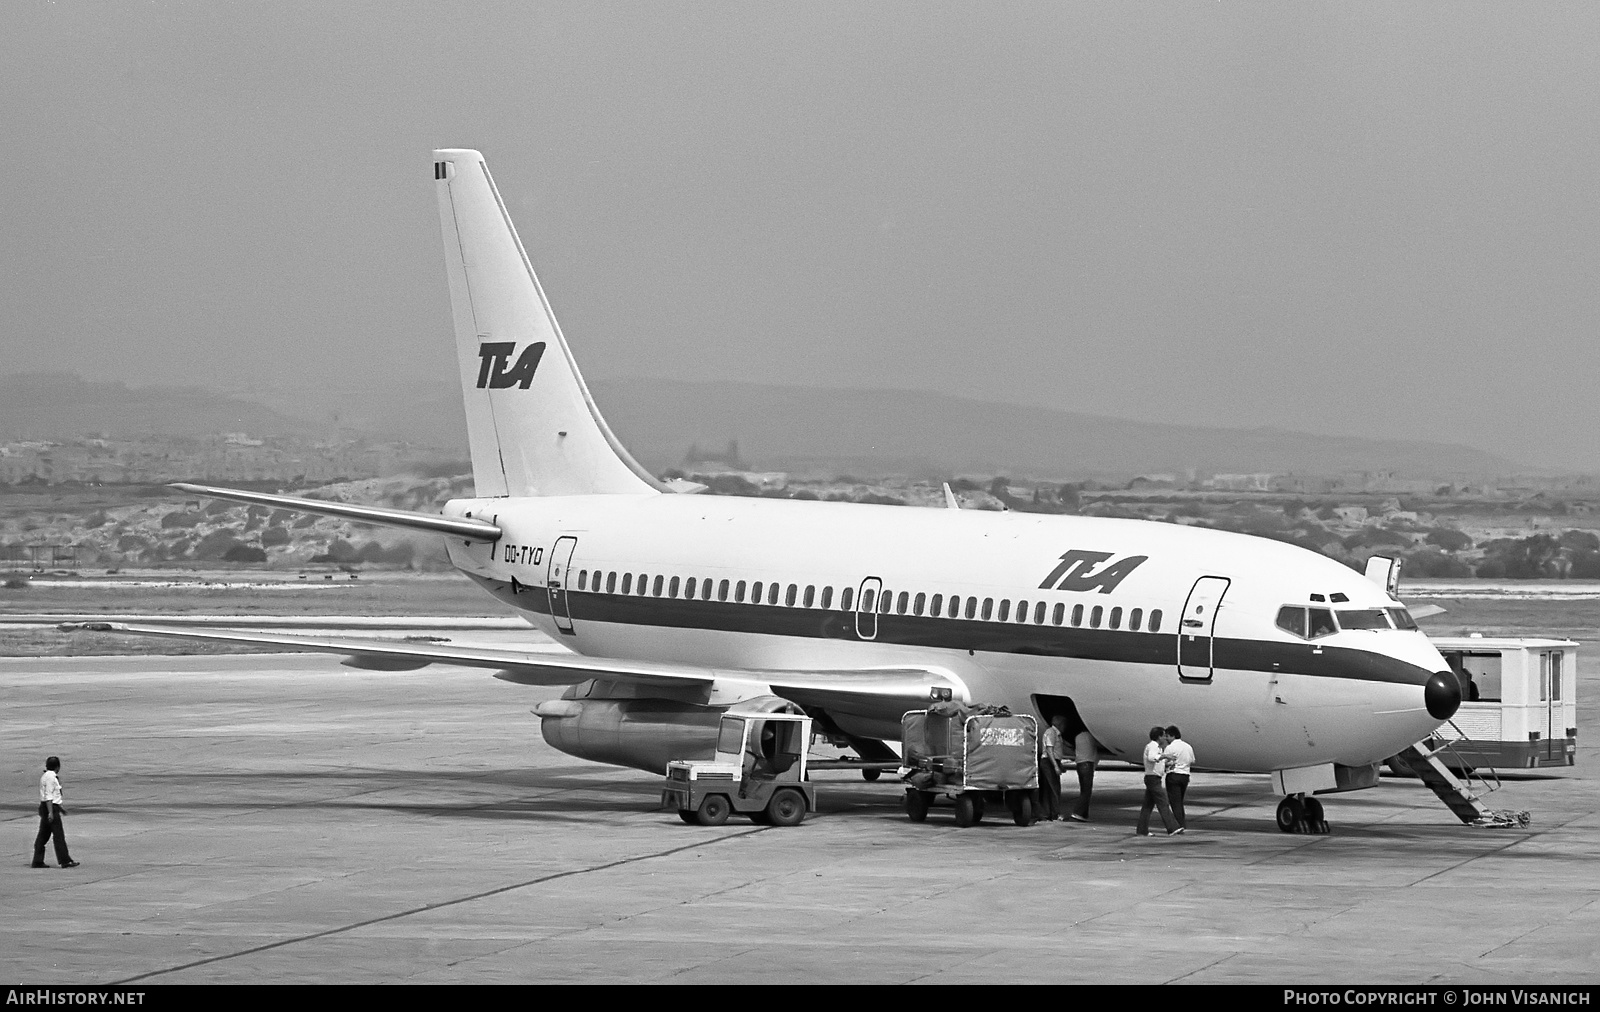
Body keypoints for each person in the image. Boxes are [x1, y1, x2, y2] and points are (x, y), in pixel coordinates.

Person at [32, 756, 78, 869]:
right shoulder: (51, 778)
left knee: (43, 835)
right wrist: (51, 812)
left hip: (48, 807)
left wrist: (60, 808)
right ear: (58, 767)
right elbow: (49, 796)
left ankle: (37, 861)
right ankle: (64, 860)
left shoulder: (46, 776)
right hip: (50, 808)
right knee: (58, 835)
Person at [1135, 727, 1181, 837]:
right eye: (1163, 735)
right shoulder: (1153, 746)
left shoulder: (1157, 747)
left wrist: (1167, 763)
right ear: (1159, 736)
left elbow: (1157, 762)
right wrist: (1165, 756)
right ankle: (1172, 827)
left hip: (1154, 778)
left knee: (1148, 805)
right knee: (1163, 802)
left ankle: (1142, 829)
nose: (1165, 738)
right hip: (1153, 778)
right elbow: (1152, 758)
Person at [1163, 725, 1196, 830]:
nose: (1166, 739)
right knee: (1179, 801)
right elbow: (1192, 760)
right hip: (1185, 776)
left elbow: (1165, 761)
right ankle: (1182, 822)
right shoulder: (1188, 746)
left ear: (1172, 736)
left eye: (1167, 736)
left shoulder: (1170, 747)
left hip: (1174, 775)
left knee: (1175, 802)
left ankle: (1179, 824)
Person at [1037, 716, 1066, 821]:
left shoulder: (1055, 733)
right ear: (1060, 724)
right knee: (1054, 789)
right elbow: (1050, 750)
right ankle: (1054, 814)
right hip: (1048, 762)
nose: (1065, 727)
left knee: (1048, 789)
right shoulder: (1052, 733)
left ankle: (1047, 813)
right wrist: (1055, 766)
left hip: (1050, 761)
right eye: (1064, 724)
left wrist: (1059, 764)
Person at [1069, 728, 1099, 822]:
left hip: (1080, 763)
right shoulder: (1090, 736)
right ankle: (1077, 812)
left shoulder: (1078, 737)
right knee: (1086, 791)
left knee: (1084, 789)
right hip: (1087, 764)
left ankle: (1083, 814)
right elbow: (1095, 751)